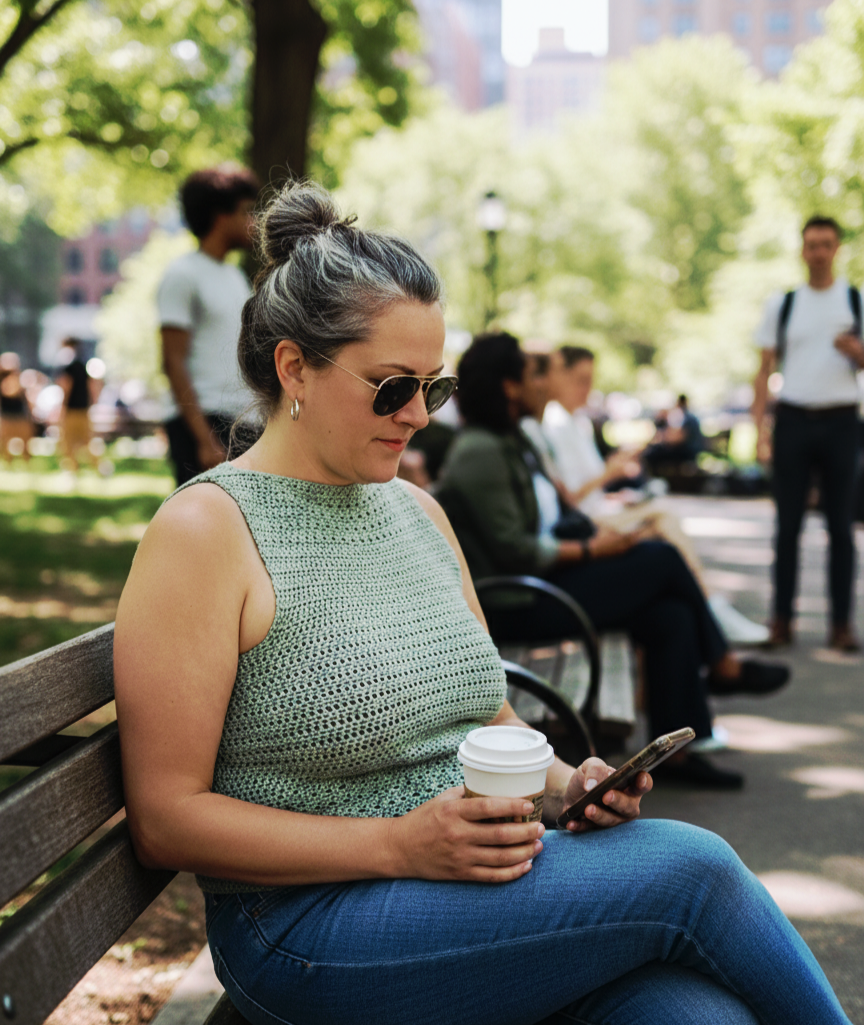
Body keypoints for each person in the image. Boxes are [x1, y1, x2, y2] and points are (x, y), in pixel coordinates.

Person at [114, 182, 850, 1025]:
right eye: (394, 388)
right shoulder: (207, 529)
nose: (421, 416)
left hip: (472, 887)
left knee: (692, 1015)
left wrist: (570, 784)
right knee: (695, 872)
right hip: (306, 924)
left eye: (437, 385)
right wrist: (394, 843)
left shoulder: (419, 513)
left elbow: (485, 716)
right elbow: (167, 819)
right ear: (294, 368)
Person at [437, 333, 792, 788]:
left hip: (544, 582)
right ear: (509, 385)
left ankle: (682, 753)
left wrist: (598, 535)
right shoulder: (480, 451)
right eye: (532, 374)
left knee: (669, 614)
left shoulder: (512, 442)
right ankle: (721, 663)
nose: (544, 384)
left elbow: (555, 517)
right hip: (515, 602)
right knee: (662, 560)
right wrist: (593, 550)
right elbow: (515, 550)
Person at [542, 346, 769, 645]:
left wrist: (616, 488)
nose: (587, 388)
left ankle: (710, 612)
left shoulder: (576, 422)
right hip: (586, 524)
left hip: (597, 512)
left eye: (590, 379)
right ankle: (711, 612)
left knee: (663, 524)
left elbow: (585, 490)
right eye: (580, 379)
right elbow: (571, 497)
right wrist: (611, 472)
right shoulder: (555, 424)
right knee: (664, 528)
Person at [752, 215, 864, 652]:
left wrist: (858, 353)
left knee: (840, 526)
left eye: (826, 244)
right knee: (787, 527)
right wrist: (760, 427)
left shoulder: (854, 300)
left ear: (837, 249)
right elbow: (763, 370)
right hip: (794, 419)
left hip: (841, 420)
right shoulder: (783, 304)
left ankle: (840, 624)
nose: (818, 251)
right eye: (811, 244)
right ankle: (781, 620)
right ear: (802, 250)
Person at [157, 165, 259, 485]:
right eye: (246, 211)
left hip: (244, 420)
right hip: (204, 422)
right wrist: (204, 439)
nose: (253, 221)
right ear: (220, 215)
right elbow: (172, 360)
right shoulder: (182, 275)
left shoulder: (234, 276)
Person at [56, 338, 98, 470]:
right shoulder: (84, 364)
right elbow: (93, 386)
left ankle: (72, 468)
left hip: (71, 410)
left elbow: (66, 386)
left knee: (68, 442)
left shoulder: (67, 365)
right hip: (84, 409)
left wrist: (62, 406)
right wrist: (92, 403)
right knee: (88, 441)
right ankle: (98, 466)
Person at [643, 394, 704, 473]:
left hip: (688, 451)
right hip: (692, 450)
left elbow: (678, 439)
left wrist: (664, 439)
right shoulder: (689, 416)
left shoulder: (683, 416)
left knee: (652, 455)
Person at [0, 351, 34, 465]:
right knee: (4, 442)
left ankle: (26, 463)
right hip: (6, 416)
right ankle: (7, 462)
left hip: (20, 415)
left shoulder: (21, 379)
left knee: (25, 442)